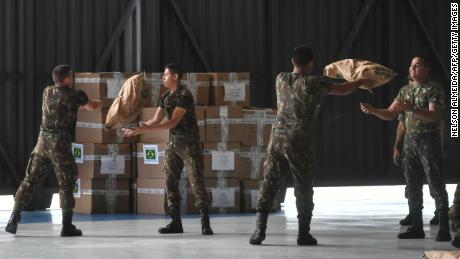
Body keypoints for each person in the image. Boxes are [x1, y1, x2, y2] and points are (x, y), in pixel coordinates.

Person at [249, 45, 376, 246]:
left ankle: (259, 230)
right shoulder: (314, 83)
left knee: (270, 182)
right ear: (311, 63)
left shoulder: (280, 78)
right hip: (298, 140)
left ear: (293, 62)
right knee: (303, 186)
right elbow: (343, 89)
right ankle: (303, 234)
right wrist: (360, 81)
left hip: (277, 138)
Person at [5, 64, 102, 236]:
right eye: (71, 76)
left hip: (42, 142)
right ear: (66, 79)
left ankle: (14, 217)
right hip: (60, 144)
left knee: (30, 180)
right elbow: (92, 106)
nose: (72, 79)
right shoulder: (76, 95)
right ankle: (66, 227)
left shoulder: (47, 91)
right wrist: (105, 101)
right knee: (66, 184)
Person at [360, 55, 450, 241]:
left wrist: (412, 109)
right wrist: (374, 110)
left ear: (427, 69)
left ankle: (444, 227)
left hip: (429, 142)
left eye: (417, 66)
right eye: (411, 66)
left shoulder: (433, 89)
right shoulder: (404, 91)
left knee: (436, 184)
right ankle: (417, 226)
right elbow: (391, 114)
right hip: (410, 142)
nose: (412, 69)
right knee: (413, 184)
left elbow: (434, 115)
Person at [122, 63, 213, 235]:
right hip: (174, 145)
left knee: (196, 183)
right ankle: (175, 222)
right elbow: (155, 120)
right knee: (170, 182)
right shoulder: (165, 97)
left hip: (189, 144)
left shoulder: (184, 95)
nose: (162, 77)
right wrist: (135, 130)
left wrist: (148, 129)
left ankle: (205, 222)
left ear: (175, 77)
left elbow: (173, 122)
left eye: (165, 74)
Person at [396, 114, 440, 226]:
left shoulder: (438, 96)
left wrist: (445, 144)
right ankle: (413, 214)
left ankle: (440, 213)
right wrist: (397, 145)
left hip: (430, 143)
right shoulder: (405, 96)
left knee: (435, 181)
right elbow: (402, 122)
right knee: (411, 184)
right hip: (411, 145)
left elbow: (447, 119)